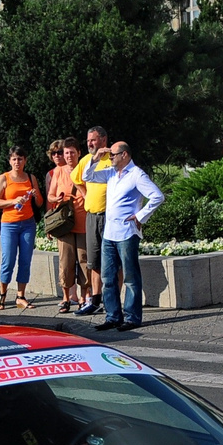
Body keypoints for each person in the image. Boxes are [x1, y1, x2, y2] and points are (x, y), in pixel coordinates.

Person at [82, 141, 164, 332]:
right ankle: (113, 316)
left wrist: (141, 215)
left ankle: (132, 317)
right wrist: (96, 157)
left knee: (130, 276)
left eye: (113, 155)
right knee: (108, 277)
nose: (110, 158)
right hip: (110, 233)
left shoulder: (136, 175)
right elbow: (87, 176)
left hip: (127, 233)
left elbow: (157, 196)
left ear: (124, 155)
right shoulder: (111, 173)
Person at [0, 145, 43, 309]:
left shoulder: (30, 177)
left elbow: (40, 203)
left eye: (20, 159)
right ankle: (2, 294)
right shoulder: (4, 178)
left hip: (28, 223)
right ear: (10, 161)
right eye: (14, 159)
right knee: (8, 260)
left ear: (25, 160)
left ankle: (21, 296)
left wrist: (35, 195)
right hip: (9, 224)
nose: (17, 162)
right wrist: (13, 201)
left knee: (25, 260)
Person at [71, 126, 111, 315]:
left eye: (93, 140)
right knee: (93, 261)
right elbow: (76, 178)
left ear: (103, 140)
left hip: (109, 217)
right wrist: (85, 194)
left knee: (113, 261)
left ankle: (112, 300)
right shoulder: (87, 160)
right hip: (92, 216)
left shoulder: (113, 158)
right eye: (88, 141)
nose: (90, 144)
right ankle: (95, 300)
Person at [47, 138, 88, 313]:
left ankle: (84, 297)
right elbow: (50, 195)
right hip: (64, 223)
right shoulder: (59, 172)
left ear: (79, 153)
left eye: (72, 152)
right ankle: (66, 298)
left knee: (84, 260)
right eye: (66, 153)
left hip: (83, 220)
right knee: (66, 261)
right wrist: (55, 199)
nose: (69, 156)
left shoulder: (86, 169)